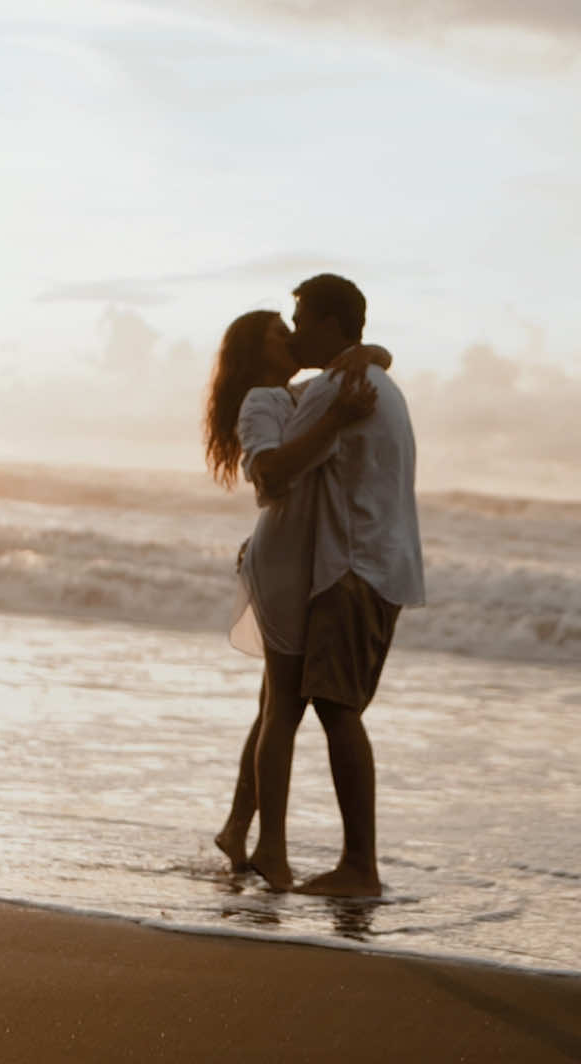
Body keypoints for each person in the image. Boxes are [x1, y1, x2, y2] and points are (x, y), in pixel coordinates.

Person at [248, 274, 426, 898]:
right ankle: (355, 863)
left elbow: (274, 476)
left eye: (301, 319)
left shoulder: (338, 388)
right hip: (381, 563)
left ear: (331, 323)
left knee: (337, 709)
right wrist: (376, 351)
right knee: (335, 707)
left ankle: (360, 866)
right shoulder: (377, 379)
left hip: (352, 567)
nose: (295, 332)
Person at [204, 309, 390, 880]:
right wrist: (336, 418)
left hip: (297, 558)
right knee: (284, 706)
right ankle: (272, 852)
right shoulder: (262, 400)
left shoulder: (298, 393)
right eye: (279, 335)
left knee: (273, 707)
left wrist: (369, 354)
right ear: (258, 355)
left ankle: (239, 827)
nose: (292, 337)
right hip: (285, 564)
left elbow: (373, 358)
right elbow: (269, 475)